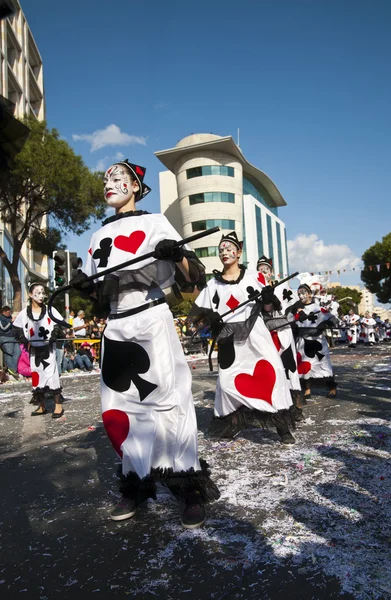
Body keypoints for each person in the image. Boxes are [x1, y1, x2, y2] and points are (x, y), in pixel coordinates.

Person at [70, 159, 219, 528]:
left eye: (118, 178)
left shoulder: (154, 223)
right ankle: (134, 483)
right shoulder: (95, 237)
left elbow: (191, 278)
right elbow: (98, 294)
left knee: (169, 400)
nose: (110, 183)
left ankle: (188, 487)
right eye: (106, 178)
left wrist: (177, 253)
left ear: (135, 186)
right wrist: (85, 287)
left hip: (152, 319)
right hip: (116, 326)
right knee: (120, 406)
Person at [191, 232, 296, 444]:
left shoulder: (255, 278)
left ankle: (282, 426)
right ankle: (232, 421)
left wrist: (267, 299)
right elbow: (198, 314)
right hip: (229, 338)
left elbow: (269, 309)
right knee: (229, 381)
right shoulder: (213, 285)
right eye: (221, 250)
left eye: (229, 248)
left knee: (272, 372)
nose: (224, 253)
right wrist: (208, 317)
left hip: (256, 334)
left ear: (239, 252)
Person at [256, 256, 305, 420]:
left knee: (289, 367)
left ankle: (296, 407)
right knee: (267, 369)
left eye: (266, 269)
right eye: (260, 269)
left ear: (271, 272)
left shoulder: (281, 287)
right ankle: (269, 406)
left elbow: (293, 304)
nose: (263, 271)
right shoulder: (252, 288)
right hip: (263, 333)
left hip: (282, 331)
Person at [13, 283, 65, 417]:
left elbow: (59, 323)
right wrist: (22, 337)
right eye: (38, 293)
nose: (41, 296)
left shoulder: (50, 310)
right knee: (37, 376)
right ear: (30, 295)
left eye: (43, 293)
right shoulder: (25, 312)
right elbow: (17, 327)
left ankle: (58, 406)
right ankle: (42, 406)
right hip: (34, 350)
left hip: (49, 349)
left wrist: (55, 334)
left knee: (52, 375)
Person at [291, 283, 337, 399]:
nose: (301, 295)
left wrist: (325, 323)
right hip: (302, 341)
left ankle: (332, 388)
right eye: (299, 293)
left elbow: (333, 319)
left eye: (303, 293)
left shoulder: (317, 308)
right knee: (305, 366)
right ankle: (307, 389)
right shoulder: (296, 309)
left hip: (318, 341)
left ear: (310, 294)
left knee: (324, 365)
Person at [0, 305, 21, 378]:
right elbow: (3, 328)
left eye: (10, 312)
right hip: (5, 338)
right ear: (3, 312)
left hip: (14, 338)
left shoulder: (10, 317)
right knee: (9, 353)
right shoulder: (1, 318)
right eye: (8, 312)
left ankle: (13, 369)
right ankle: (12, 370)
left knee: (18, 352)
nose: (9, 314)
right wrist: (11, 322)